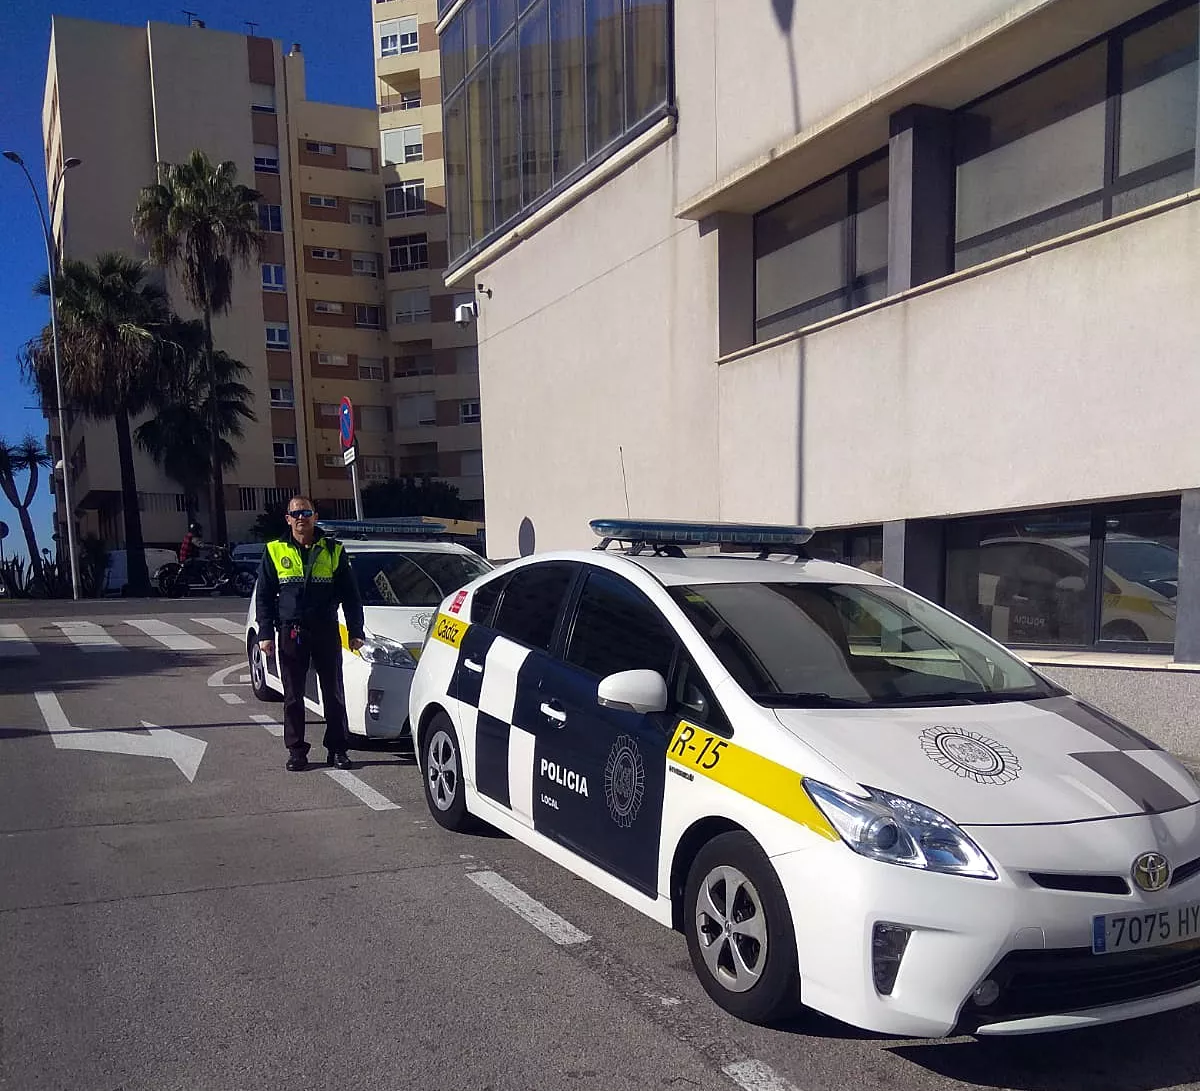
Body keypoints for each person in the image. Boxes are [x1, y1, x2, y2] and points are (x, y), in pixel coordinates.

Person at [255, 497, 366, 772]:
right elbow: (265, 597)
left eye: (306, 512)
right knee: (292, 695)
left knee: (334, 693)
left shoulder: (333, 550)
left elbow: (351, 596)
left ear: (315, 516)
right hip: (291, 631)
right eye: (296, 513)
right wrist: (265, 634)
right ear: (288, 519)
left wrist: (355, 631)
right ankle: (297, 751)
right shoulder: (274, 550)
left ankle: (338, 749)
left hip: (326, 630)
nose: (301, 518)